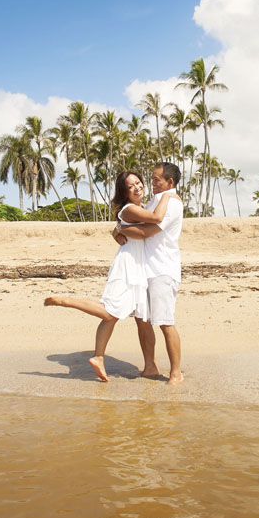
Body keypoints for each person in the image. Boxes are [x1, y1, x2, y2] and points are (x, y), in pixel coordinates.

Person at [44, 170, 176, 382]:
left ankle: (148, 366)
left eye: (139, 182)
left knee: (143, 319)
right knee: (110, 312)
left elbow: (136, 225)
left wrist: (117, 230)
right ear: (124, 192)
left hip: (141, 266)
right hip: (128, 266)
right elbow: (156, 219)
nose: (138, 187)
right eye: (131, 186)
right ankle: (67, 301)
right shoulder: (129, 209)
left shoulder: (140, 207)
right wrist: (168, 195)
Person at [114, 162, 184, 385]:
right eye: (151, 179)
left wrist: (120, 229)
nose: (151, 183)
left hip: (163, 269)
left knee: (165, 321)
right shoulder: (156, 198)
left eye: (157, 180)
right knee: (143, 320)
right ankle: (150, 367)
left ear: (169, 182)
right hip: (145, 268)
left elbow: (148, 231)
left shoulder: (170, 201)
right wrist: (117, 230)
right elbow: (133, 215)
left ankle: (176, 373)